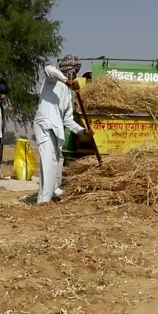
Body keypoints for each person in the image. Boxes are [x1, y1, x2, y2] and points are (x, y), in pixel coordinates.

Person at [32, 54, 91, 205]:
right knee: (48, 161)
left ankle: (53, 193)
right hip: (45, 125)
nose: (76, 74)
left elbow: (68, 120)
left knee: (58, 160)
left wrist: (83, 131)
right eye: (74, 71)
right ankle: (43, 201)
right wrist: (68, 81)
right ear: (69, 70)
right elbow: (48, 69)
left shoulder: (67, 92)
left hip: (57, 128)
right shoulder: (52, 80)